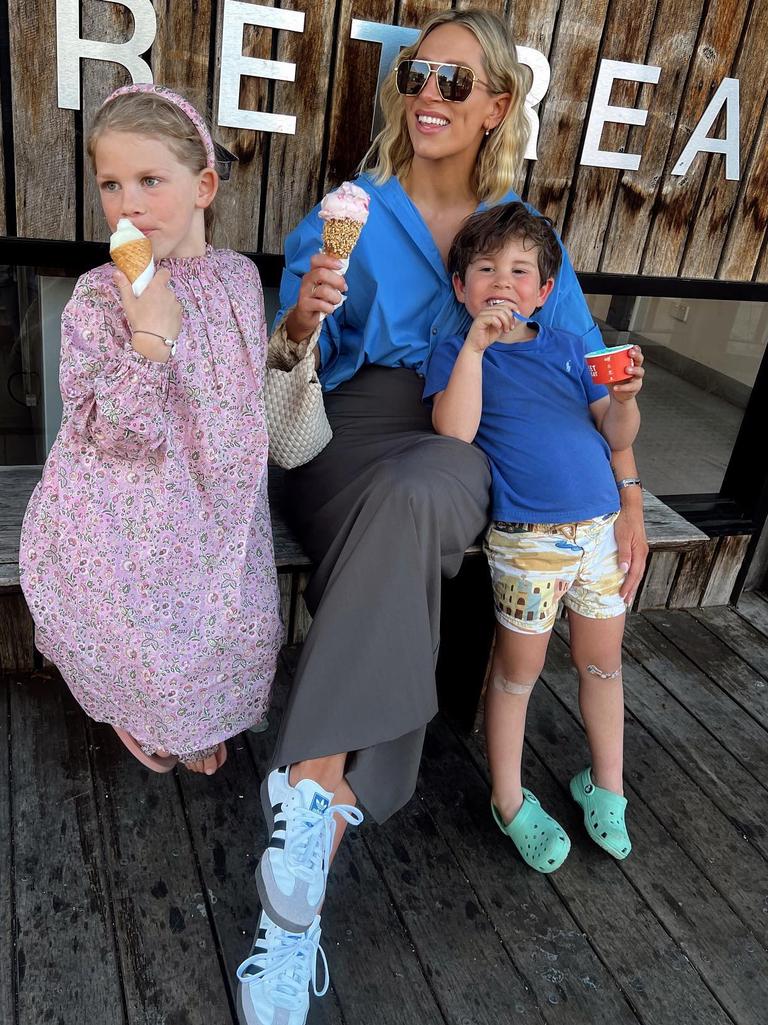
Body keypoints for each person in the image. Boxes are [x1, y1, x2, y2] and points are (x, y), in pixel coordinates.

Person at [236, 9, 648, 1025]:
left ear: (498, 106)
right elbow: (282, 373)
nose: (430, 93)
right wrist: (301, 317)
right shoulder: (351, 211)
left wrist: (629, 489)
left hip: (467, 443)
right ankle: (308, 853)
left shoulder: (517, 236)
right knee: (403, 514)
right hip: (342, 435)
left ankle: (306, 816)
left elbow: (590, 368)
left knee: (428, 491)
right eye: (419, 74)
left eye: (457, 82)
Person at [19, 84, 282, 776]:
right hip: (129, 502)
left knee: (234, 618)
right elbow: (110, 434)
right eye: (111, 183)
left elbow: (242, 388)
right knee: (150, 634)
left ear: (203, 187)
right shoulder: (101, 297)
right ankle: (144, 715)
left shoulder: (238, 280)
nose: (126, 204)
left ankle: (194, 715)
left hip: (218, 493)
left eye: (148, 181)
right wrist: (149, 340)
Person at [424, 201, 643, 873]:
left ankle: (606, 785)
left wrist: (628, 399)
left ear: (545, 290)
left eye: (521, 270)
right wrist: (473, 347)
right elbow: (453, 431)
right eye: (485, 268)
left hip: (601, 533)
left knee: (603, 663)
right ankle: (509, 798)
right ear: (460, 286)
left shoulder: (572, 344)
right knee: (517, 675)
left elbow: (615, 433)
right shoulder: (457, 351)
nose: (502, 282)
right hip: (528, 542)